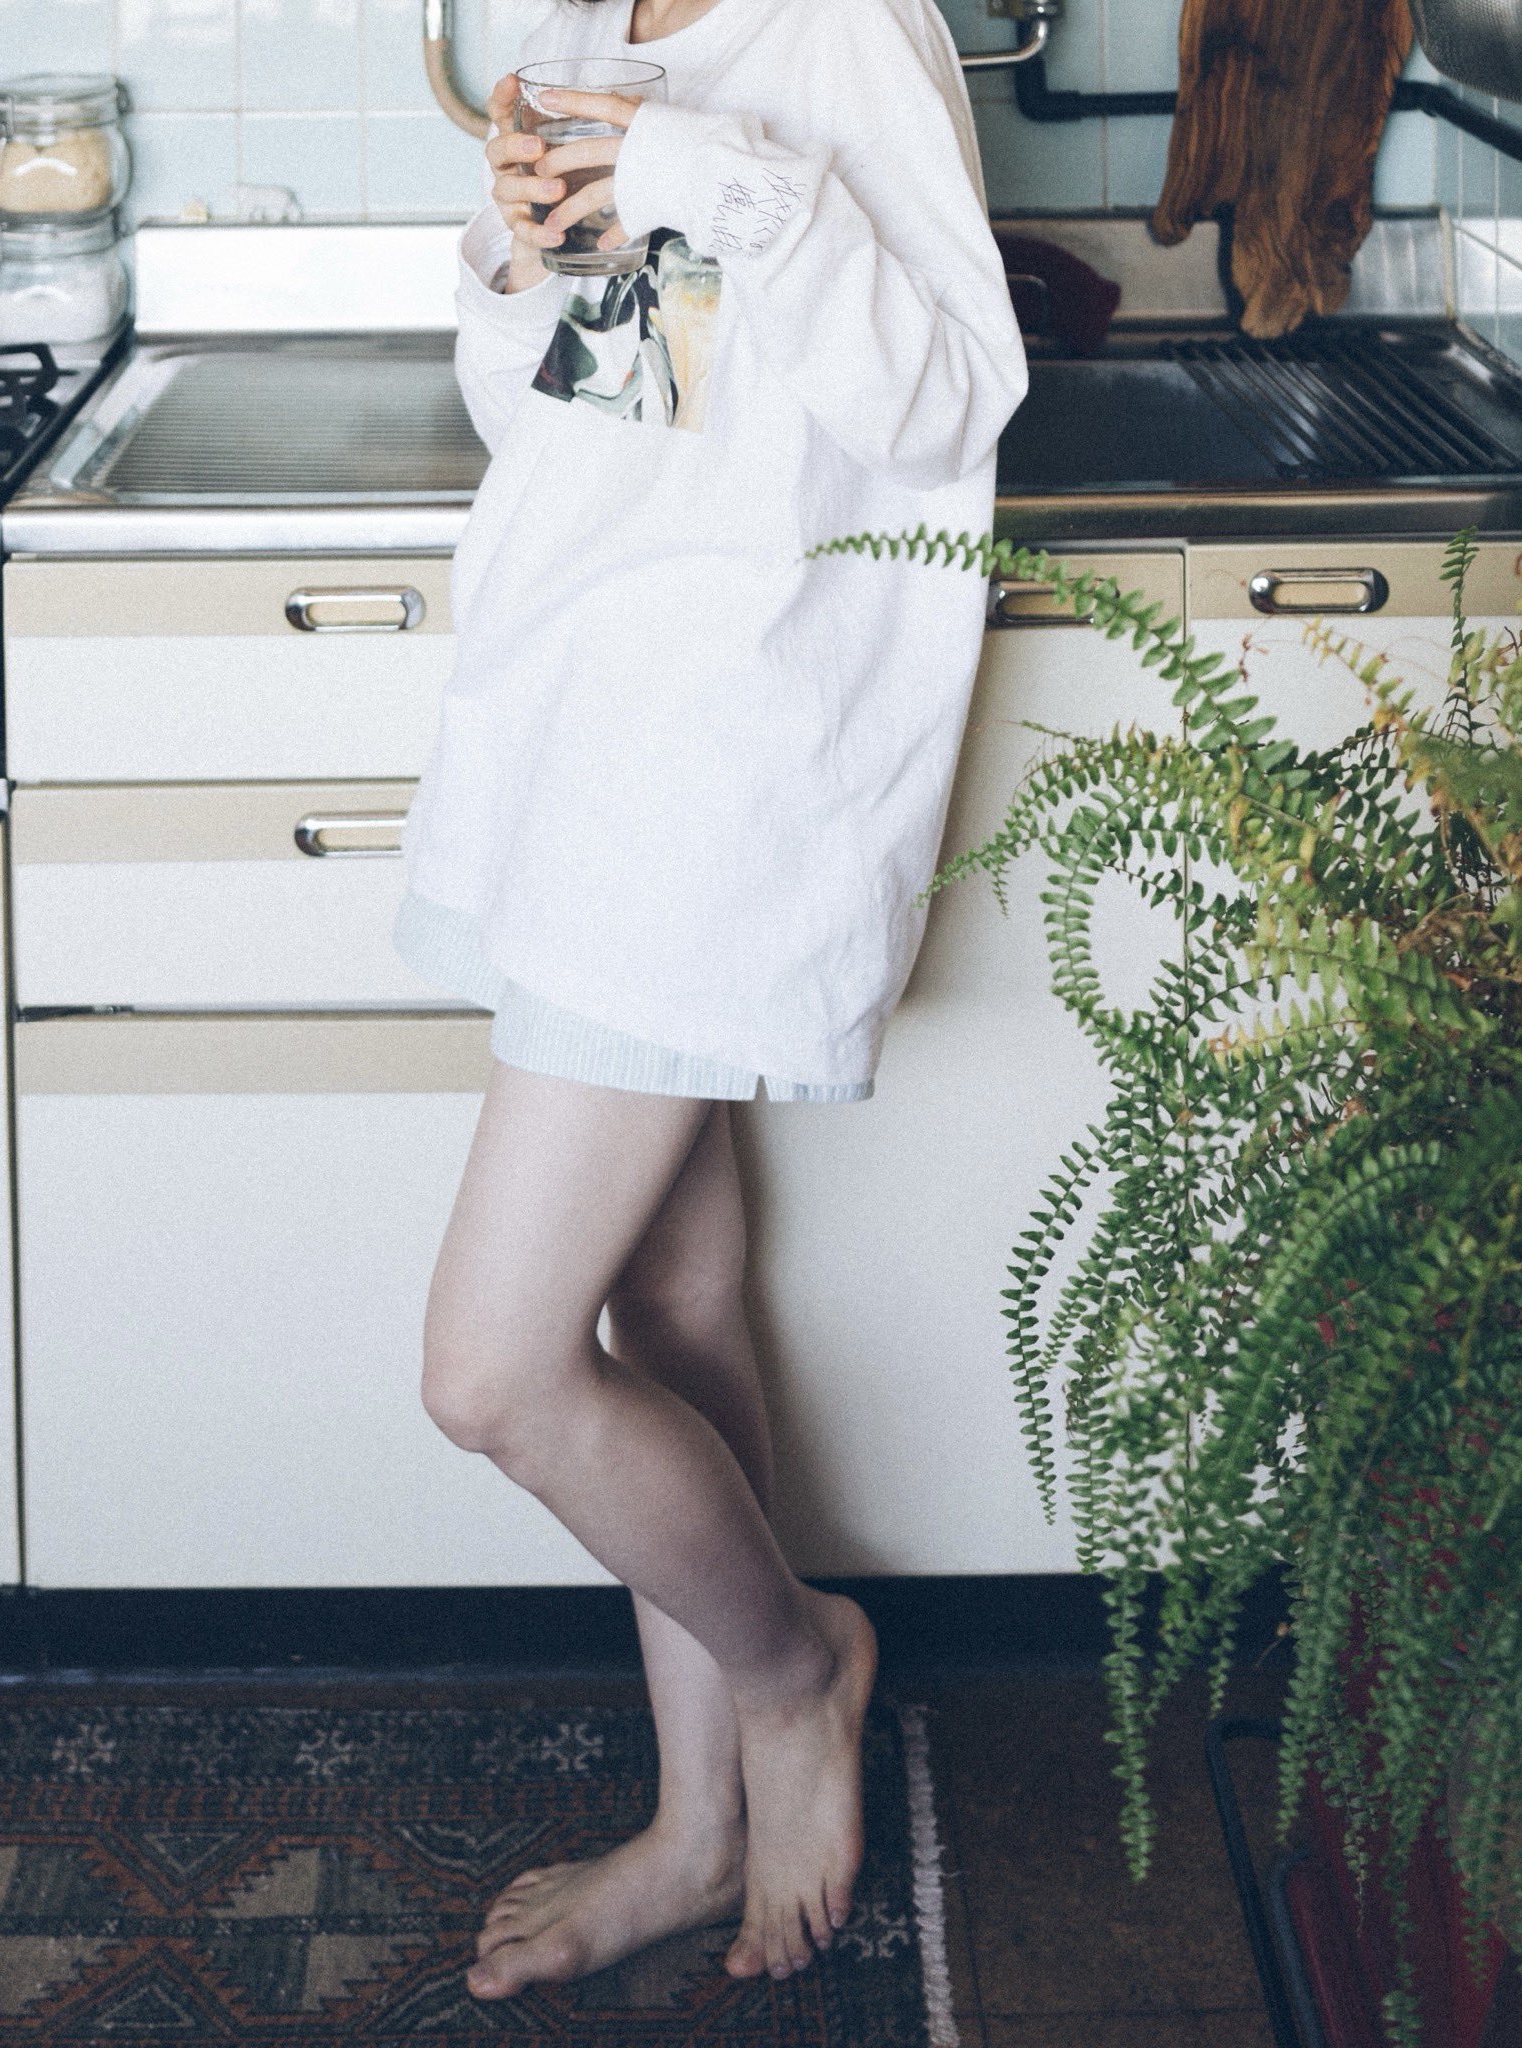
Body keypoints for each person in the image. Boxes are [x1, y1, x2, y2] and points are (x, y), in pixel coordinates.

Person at [393, 0, 1026, 2001]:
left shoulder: (843, 29)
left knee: (491, 1374)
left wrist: (693, 173)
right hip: (578, 729)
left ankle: (792, 1666)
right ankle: (696, 1827)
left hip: (710, 770)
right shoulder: (604, 25)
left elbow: (950, 399)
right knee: (665, 1307)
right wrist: (525, 257)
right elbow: (601, 406)